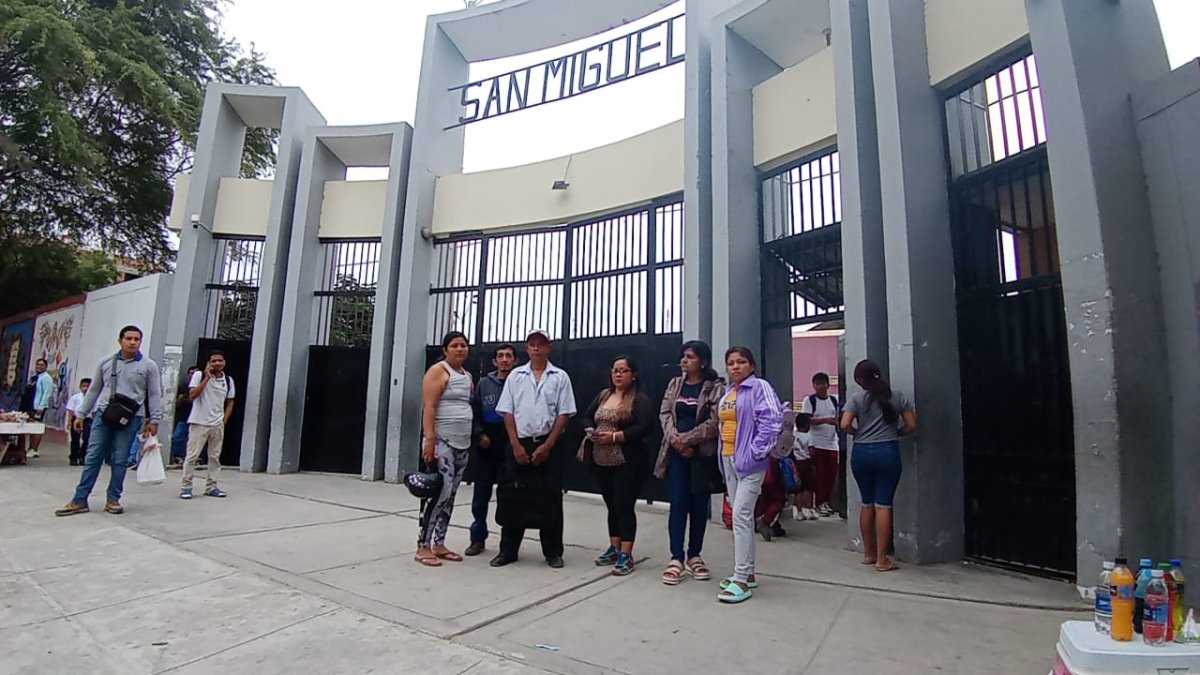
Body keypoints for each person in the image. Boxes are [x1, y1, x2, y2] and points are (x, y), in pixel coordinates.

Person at [490, 329, 577, 569]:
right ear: (527, 348)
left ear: (549, 347)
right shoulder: (516, 376)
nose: (536, 348)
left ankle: (552, 552)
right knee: (513, 496)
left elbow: (563, 414)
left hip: (549, 444)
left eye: (541, 344)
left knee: (550, 497)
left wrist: (548, 445)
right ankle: (508, 550)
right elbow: (507, 411)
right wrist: (516, 444)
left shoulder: (560, 377)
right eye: (532, 344)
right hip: (520, 442)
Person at [55, 326, 162, 516]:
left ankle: (113, 499)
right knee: (93, 456)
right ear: (120, 340)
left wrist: (154, 419)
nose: (132, 342)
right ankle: (79, 500)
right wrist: (81, 414)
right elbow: (94, 389)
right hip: (104, 416)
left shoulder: (148, 366)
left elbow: (154, 393)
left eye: (136, 339)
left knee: (120, 460)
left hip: (131, 418)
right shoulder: (106, 362)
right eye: (128, 338)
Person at [715, 346, 784, 604]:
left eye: (741, 362)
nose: (735, 367)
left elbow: (773, 420)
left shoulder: (759, 387)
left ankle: (741, 578)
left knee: (742, 515)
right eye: (731, 363)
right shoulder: (728, 392)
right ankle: (749, 571)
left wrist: (756, 452)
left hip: (749, 463)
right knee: (739, 515)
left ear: (751, 365)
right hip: (729, 460)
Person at [654, 340, 724, 586]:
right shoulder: (675, 384)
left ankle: (695, 555)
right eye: (683, 356)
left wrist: (687, 440)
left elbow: (715, 422)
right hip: (676, 455)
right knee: (678, 502)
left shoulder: (715, 388)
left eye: (690, 357)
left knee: (698, 505)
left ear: (703, 362)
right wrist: (675, 439)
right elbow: (664, 413)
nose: (685, 361)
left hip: (700, 456)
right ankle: (676, 557)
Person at [578, 355, 655, 576]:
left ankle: (626, 553)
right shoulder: (604, 395)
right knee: (611, 504)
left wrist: (615, 436)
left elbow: (644, 427)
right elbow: (586, 417)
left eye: (623, 371)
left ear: (633, 375)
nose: (618, 375)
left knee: (623, 504)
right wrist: (591, 431)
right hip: (601, 459)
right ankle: (614, 546)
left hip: (627, 461)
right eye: (615, 370)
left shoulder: (639, 399)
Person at [840, 359, 917, 573]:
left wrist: (858, 433)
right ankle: (883, 560)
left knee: (867, 504)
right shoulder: (897, 396)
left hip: (861, 453)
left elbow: (845, 424)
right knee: (883, 505)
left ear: (859, 380)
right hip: (887, 451)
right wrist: (895, 433)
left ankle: (869, 553)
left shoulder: (856, 399)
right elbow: (912, 425)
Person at [414, 332, 474, 566]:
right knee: (439, 492)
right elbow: (429, 406)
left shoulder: (466, 375)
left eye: (464, 345)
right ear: (446, 349)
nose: (460, 349)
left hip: (463, 442)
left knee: (450, 495)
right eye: (455, 345)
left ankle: (439, 542)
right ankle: (423, 545)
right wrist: (429, 439)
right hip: (442, 441)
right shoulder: (438, 371)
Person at [466, 344, 517, 557]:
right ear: (495, 361)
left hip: (511, 443)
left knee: (510, 496)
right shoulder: (484, 384)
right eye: (500, 356)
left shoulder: (520, 382)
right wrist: (479, 435)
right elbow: (475, 411)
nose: (505, 360)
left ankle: (508, 544)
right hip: (487, 443)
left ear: (515, 361)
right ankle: (478, 538)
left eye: (509, 356)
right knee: (480, 496)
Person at [180, 351, 235, 500]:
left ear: (224, 362)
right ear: (208, 363)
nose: (217, 363)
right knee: (192, 456)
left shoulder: (228, 380)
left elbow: (230, 401)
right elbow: (192, 395)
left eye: (220, 360)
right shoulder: (198, 376)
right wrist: (206, 378)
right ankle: (186, 486)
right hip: (199, 422)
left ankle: (212, 486)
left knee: (214, 457)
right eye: (214, 361)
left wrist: (224, 420)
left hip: (217, 424)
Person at [799, 372, 841, 517]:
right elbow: (806, 420)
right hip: (816, 442)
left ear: (828, 385)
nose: (820, 386)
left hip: (832, 442)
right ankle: (818, 504)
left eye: (822, 383)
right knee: (820, 475)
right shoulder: (809, 401)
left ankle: (826, 502)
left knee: (831, 475)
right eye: (817, 384)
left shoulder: (834, 401)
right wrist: (825, 420)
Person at [790, 415, 819, 521]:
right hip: (806, 463)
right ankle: (811, 509)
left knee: (798, 489)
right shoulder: (809, 437)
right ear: (807, 425)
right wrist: (814, 465)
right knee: (810, 488)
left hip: (795, 463)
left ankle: (799, 512)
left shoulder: (792, 435)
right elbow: (812, 452)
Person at [169, 366, 198, 469]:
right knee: (177, 437)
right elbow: (176, 402)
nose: (193, 375)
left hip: (196, 417)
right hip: (183, 416)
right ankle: (178, 456)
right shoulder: (183, 386)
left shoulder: (201, 386)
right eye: (191, 373)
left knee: (194, 440)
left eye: (195, 373)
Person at [26, 359, 53, 458]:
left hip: (39, 406)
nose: (39, 367)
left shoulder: (46, 378)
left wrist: (41, 406)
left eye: (42, 365)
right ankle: (30, 447)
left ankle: (34, 449)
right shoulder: (35, 377)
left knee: (37, 427)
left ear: (45, 367)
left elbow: (47, 393)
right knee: (31, 427)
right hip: (32, 405)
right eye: (38, 364)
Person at [65, 378, 93, 466]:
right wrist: (69, 422)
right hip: (76, 418)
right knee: (75, 439)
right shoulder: (75, 397)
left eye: (88, 386)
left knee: (87, 438)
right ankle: (73, 457)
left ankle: (82, 456)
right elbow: (70, 410)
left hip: (87, 419)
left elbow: (95, 411)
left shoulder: (93, 398)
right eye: (84, 386)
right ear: (80, 387)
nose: (86, 388)